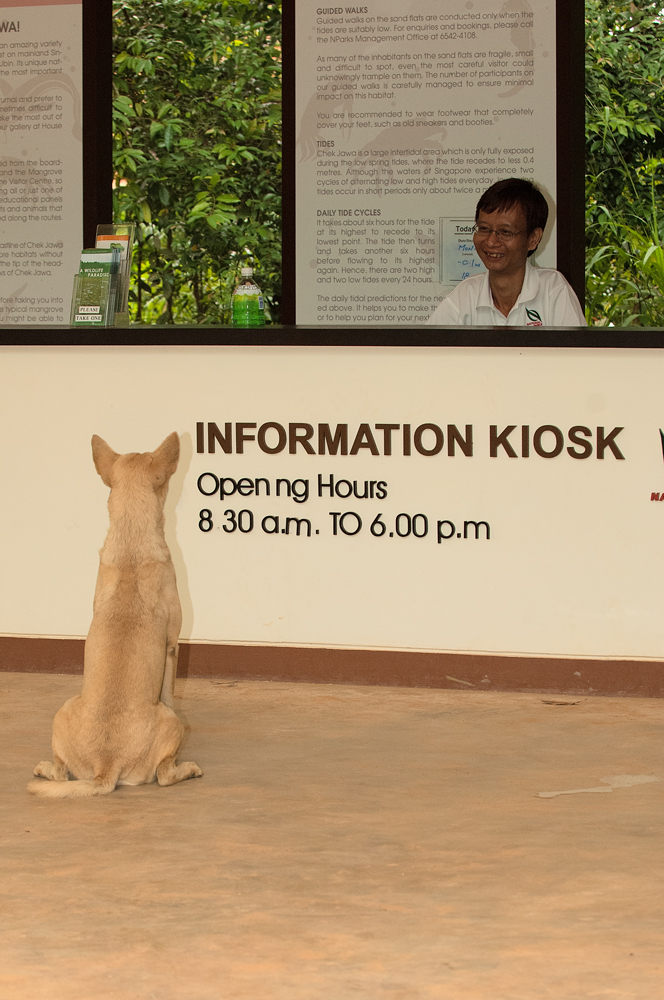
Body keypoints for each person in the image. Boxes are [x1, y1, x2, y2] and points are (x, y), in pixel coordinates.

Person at [427, 178, 586, 326]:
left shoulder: (553, 290)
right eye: (484, 229)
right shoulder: (465, 295)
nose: (491, 241)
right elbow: (425, 350)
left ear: (533, 238)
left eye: (505, 232)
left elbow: (577, 355)